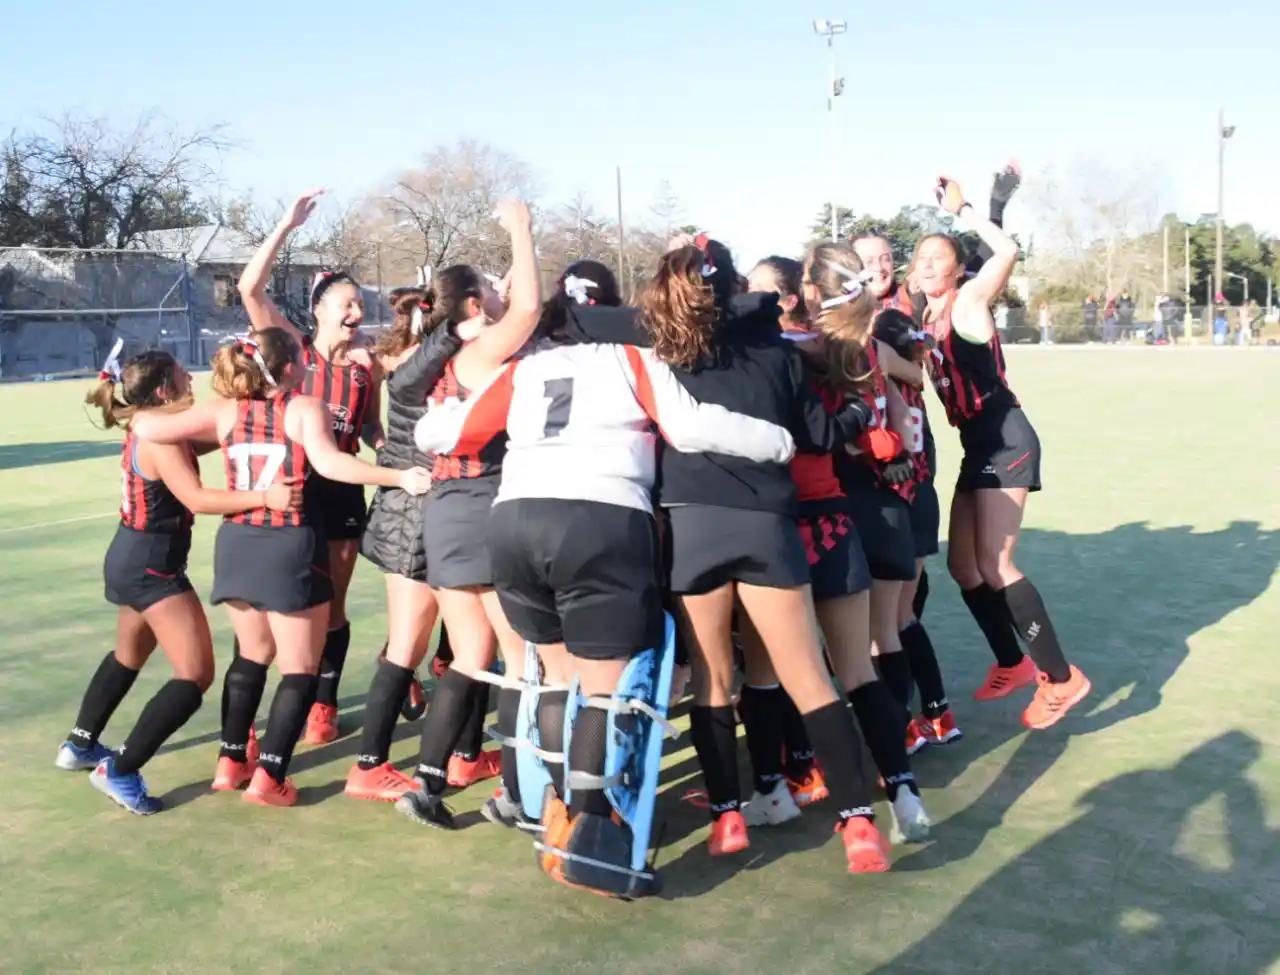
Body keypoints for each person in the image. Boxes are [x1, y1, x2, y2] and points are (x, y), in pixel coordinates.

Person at [416, 261, 804, 894]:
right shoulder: (631, 360)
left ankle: (555, 812)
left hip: (514, 520)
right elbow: (694, 426)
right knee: (601, 691)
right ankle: (594, 840)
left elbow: (444, 430)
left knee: (551, 679)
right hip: (598, 517)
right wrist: (777, 443)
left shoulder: (524, 369)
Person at [636, 237, 892, 871]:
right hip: (767, 525)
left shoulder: (664, 352)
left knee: (715, 679)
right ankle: (858, 824)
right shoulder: (777, 353)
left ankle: (728, 816)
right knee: (806, 675)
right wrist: (863, 412)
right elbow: (819, 433)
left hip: (693, 523)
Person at [131, 327, 431, 806]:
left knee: (251, 656)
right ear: (290, 367)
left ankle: (231, 761)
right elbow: (333, 465)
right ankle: (270, 776)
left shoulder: (225, 410)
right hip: (287, 543)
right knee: (299, 670)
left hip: (236, 541)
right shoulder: (302, 408)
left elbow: (145, 427)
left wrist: (195, 443)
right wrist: (398, 477)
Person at [57, 344, 301, 814]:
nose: (192, 381)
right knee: (195, 674)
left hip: (129, 556)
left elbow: (218, 437)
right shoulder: (159, 440)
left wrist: (256, 416)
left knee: (128, 655)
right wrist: (264, 496)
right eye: (183, 377)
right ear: (166, 388)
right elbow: (197, 499)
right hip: (152, 567)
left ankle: (80, 744)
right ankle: (121, 769)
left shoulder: (156, 429)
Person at [914, 175, 1090, 730]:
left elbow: (1008, 250)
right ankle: (1011, 662)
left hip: (1006, 437)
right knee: (964, 567)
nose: (924, 265)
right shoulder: (924, 318)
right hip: (977, 445)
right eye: (919, 257)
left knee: (995, 563)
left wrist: (970, 209)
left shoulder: (967, 302)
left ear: (957, 269)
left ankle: (1062, 678)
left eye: (936, 258)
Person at [395, 200, 543, 830]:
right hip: (482, 503)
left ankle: (428, 783)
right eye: (489, 286)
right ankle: (515, 789)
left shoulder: (447, 353)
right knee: (516, 657)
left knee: (470, 654)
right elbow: (533, 310)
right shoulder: (480, 349)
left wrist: (500, 289)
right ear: (475, 308)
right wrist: (521, 233)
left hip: (447, 510)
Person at [234, 188, 386, 747]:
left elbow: (368, 427)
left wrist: (387, 442)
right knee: (267, 612)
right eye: (346, 303)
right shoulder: (292, 347)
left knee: (334, 608)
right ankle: (245, 724)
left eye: (360, 305)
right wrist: (286, 224)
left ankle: (323, 706)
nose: (356, 312)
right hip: (290, 492)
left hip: (342, 495)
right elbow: (250, 288)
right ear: (319, 308)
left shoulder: (367, 369)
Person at [344, 280, 483, 801]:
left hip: (421, 509)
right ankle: (371, 765)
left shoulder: (408, 358)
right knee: (423, 646)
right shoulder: (425, 365)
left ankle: (460, 757)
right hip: (421, 508)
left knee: (454, 645)